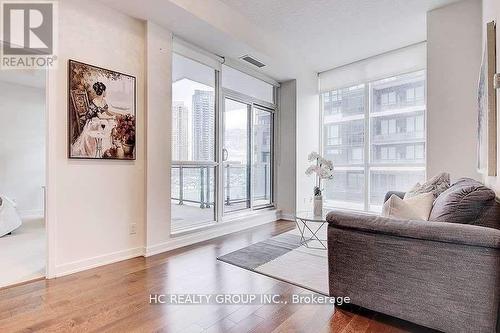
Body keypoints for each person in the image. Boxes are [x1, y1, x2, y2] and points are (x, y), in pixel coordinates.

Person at [71, 82, 117, 157]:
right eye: (105, 91)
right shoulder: (95, 101)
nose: (106, 92)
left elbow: (107, 112)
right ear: (103, 91)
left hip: (100, 119)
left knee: (111, 123)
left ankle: (108, 148)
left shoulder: (104, 101)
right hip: (93, 120)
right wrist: (111, 117)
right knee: (104, 124)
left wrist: (116, 115)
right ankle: (98, 150)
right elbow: (100, 116)